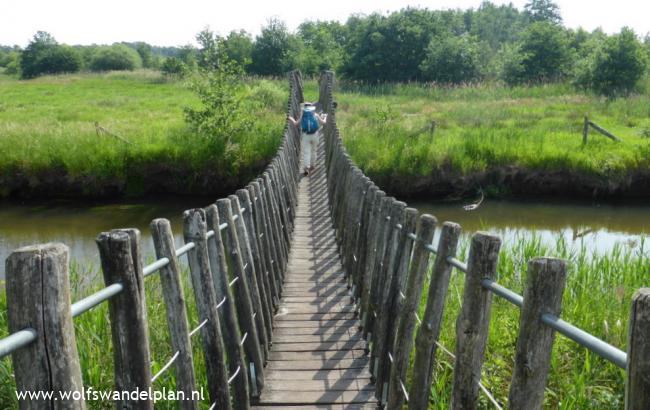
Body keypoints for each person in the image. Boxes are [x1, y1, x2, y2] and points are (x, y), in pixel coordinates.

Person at [288, 103, 327, 176]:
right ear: (312, 108)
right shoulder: (315, 114)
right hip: (315, 135)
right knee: (314, 150)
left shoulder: (303, 116)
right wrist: (325, 117)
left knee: (306, 152)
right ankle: (312, 165)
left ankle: (306, 168)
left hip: (306, 136)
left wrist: (291, 119)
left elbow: (296, 124)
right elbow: (323, 122)